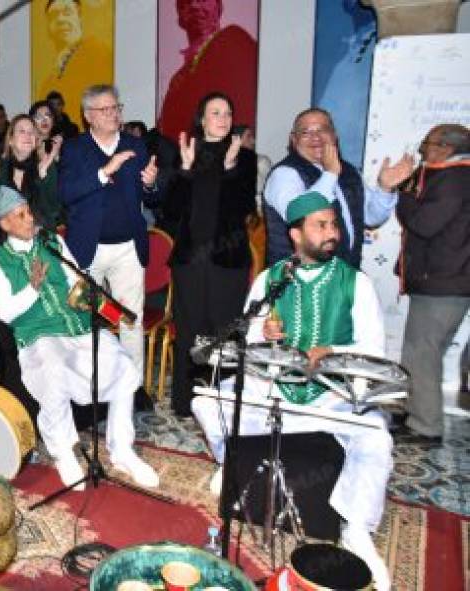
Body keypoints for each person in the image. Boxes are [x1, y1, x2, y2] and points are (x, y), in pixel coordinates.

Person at [191, 192, 394, 590]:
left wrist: (334, 352)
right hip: (277, 389)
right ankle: (227, 464)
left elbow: (374, 351)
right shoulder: (272, 279)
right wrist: (262, 332)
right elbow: (247, 339)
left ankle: (355, 527)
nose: (332, 232)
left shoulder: (358, 284)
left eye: (333, 224)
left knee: (376, 437)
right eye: (321, 225)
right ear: (296, 233)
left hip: (330, 394)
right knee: (205, 402)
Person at [0, 186, 160, 490]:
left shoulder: (52, 241)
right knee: (54, 371)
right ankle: (63, 450)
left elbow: (75, 276)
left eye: (29, 212)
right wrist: (33, 288)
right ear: (5, 224)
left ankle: (122, 451)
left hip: (76, 327)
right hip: (39, 334)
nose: (30, 219)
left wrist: (84, 293)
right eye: (21, 215)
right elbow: (5, 312)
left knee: (121, 362)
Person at [161, 93, 256, 417]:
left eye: (228, 112)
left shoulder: (244, 158)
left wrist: (229, 167)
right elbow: (171, 211)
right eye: (215, 112)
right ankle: (187, 402)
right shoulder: (187, 153)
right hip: (190, 260)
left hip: (226, 260)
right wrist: (185, 170)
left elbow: (244, 208)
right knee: (190, 331)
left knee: (224, 333)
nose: (223, 118)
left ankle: (223, 403)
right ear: (202, 119)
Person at [59, 84, 159, 390]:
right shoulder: (74, 148)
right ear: (89, 115)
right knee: (80, 321)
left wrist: (152, 184)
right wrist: (105, 172)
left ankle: (131, 389)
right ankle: (85, 387)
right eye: (106, 109)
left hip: (128, 247)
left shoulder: (135, 144)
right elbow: (66, 193)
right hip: (88, 248)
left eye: (117, 107)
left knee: (130, 319)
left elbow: (152, 197)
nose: (114, 114)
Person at [263, 108, 414, 267]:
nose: (315, 137)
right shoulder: (284, 174)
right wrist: (331, 174)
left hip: (345, 275)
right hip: (298, 280)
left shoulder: (349, 171)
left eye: (323, 129)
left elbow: (372, 217)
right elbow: (301, 214)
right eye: (306, 132)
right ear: (294, 140)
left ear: (334, 135)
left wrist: (384, 189)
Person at [397, 124, 470, 441]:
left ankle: (425, 427)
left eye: (428, 143)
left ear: (446, 148)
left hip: (443, 281)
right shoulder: (458, 176)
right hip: (448, 279)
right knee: (420, 352)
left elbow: (423, 224)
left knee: (423, 354)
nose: (422, 149)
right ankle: (415, 414)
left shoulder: (454, 179)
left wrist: (402, 189)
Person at [156, 0, 258, 142]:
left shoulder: (233, 41)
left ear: (219, 7)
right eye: (186, 2)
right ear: (180, 15)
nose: (195, 6)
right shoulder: (178, 79)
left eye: (203, 0)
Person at [0, 114, 62, 252]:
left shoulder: (45, 166)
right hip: (1, 248)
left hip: (38, 247)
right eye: (22, 131)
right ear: (10, 139)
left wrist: (44, 178)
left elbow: (53, 211)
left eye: (32, 132)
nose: (28, 135)